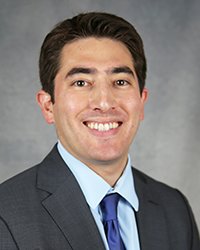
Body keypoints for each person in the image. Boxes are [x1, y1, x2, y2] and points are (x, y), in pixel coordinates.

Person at [0, 12, 199, 250]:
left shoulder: (175, 210)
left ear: (141, 101)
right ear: (48, 106)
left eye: (121, 82)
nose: (104, 102)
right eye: (81, 82)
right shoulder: (7, 215)